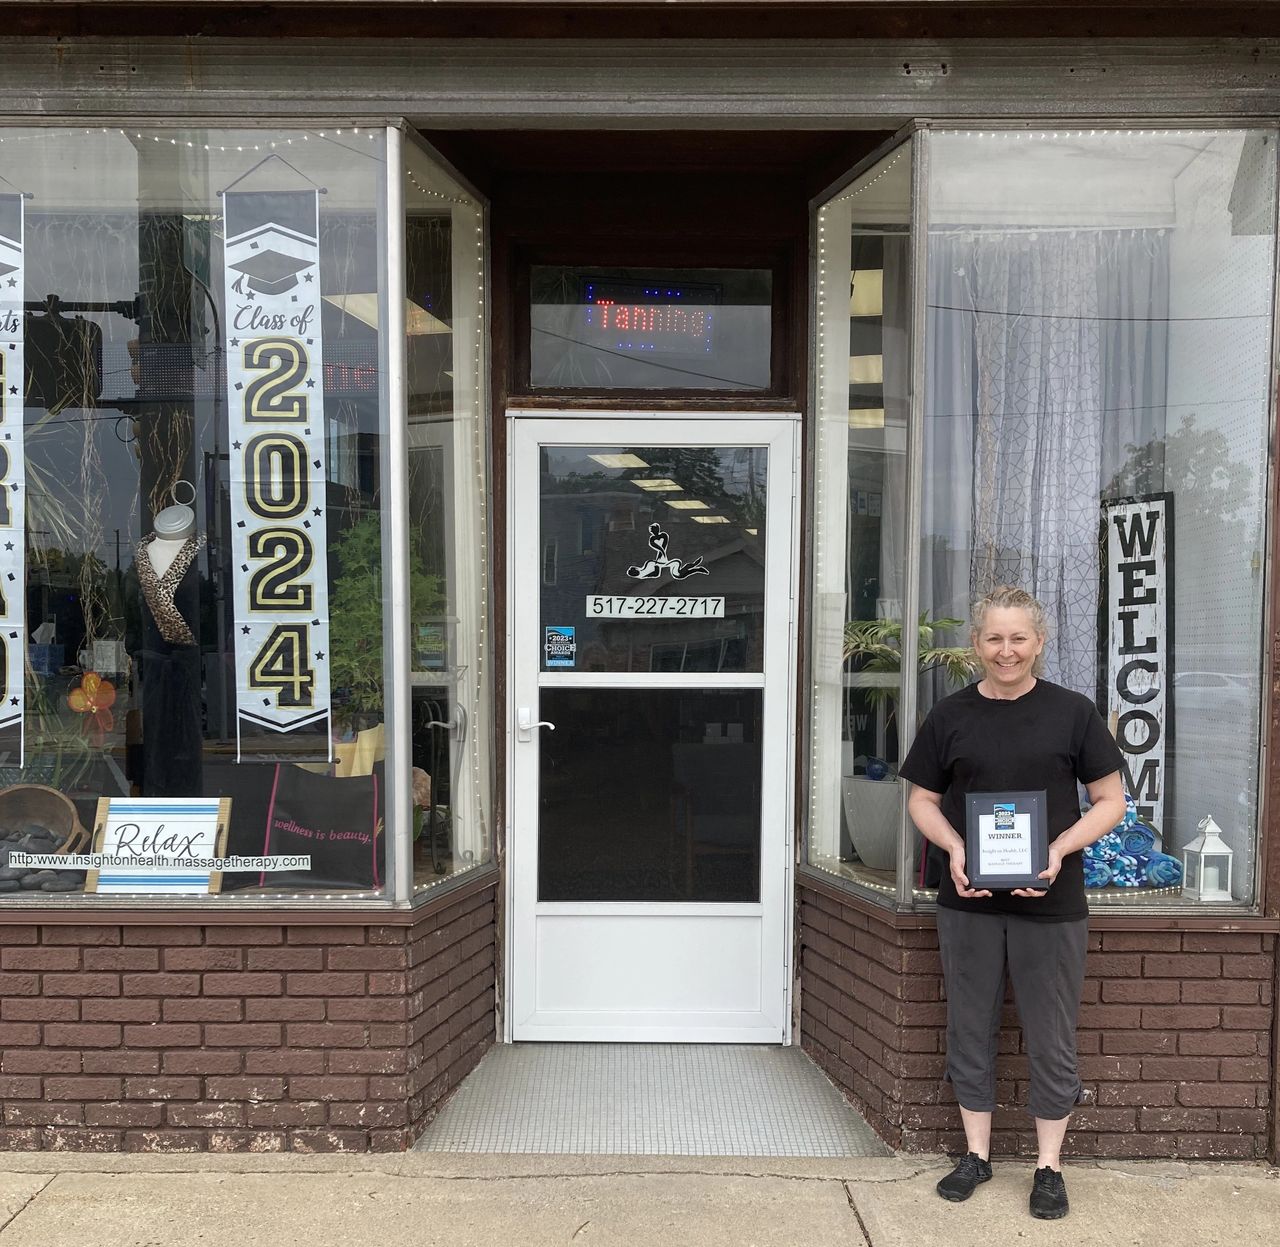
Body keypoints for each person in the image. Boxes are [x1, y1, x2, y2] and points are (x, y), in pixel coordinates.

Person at [899, 585, 1125, 1221]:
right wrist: (955, 849)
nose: (1006, 651)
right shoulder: (950, 717)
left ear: (1039, 643)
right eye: (993, 638)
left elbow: (1111, 802)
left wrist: (1055, 851)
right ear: (976, 645)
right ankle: (976, 1155)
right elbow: (921, 799)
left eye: (1018, 638)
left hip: (1052, 904)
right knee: (969, 1025)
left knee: (1051, 1033)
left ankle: (1049, 1166)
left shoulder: (1073, 714)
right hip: (967, 900)